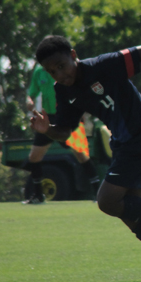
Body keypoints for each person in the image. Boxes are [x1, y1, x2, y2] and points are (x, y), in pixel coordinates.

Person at [30, 35, 141, 256]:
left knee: (107, 201)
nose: (60, 75)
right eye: (52, 72)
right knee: (131, 214)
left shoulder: (101, 65)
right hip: (124, 143)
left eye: (61, 66)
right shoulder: (64, 89)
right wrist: (46, 129)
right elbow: (66, 131)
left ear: (73, 56)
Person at [23, 64, 100, 204]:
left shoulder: (66, 67)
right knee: (34, 157)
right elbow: (32, 93)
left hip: (69, 116)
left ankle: (98, 193)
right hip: (48, 119)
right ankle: (38, 196)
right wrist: (29, 101)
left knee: (81, 154)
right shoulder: (39, 71)